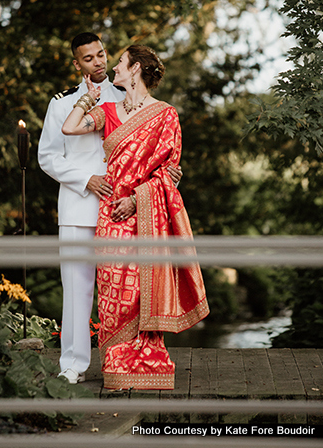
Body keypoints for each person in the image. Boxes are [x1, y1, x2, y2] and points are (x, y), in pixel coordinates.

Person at [62, 44, 209, 390]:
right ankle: (116, 362)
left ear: (136, 69)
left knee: (144, 290)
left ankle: (147, 360)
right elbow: (69, 128)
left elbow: (168, 172)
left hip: (146, 217)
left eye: (120, 63)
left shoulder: (165, 115)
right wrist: (88, 98)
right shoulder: (108, 111)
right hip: (111, 215)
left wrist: (137, 201)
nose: (113, 67)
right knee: (113, 291)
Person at [38, 34, 181, 384]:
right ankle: (72, 365)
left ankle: (120, 360)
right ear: (77, 64)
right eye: (89, 58)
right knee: (76, 288)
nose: (99, 62)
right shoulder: (63, 104)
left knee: (124, 293)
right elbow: (47, 156)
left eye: (102, 54)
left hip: (123, 211)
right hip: (78, 206)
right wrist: (85, 179)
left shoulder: (131, 99)